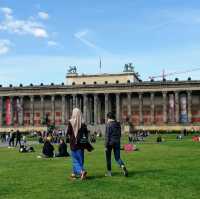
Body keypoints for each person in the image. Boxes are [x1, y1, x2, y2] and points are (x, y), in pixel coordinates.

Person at [67, 108, 93, 180]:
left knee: (75, 160)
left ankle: (81, 171)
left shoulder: (71, 122)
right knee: (80, 160)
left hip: (73, 144)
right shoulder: (83, 123)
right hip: (81, 144)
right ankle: (74, 174)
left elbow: (68, 132)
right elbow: (86, 135)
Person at [105, 112, 128, 177]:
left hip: (109, 143)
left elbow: (107, 136)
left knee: (108, 158)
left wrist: (106, 146)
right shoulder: (118, 124)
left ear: (109, 118)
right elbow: (120, 134)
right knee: (117, 158)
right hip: (117, 142)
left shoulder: (108, 124)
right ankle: (123, 167)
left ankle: (109, 172)